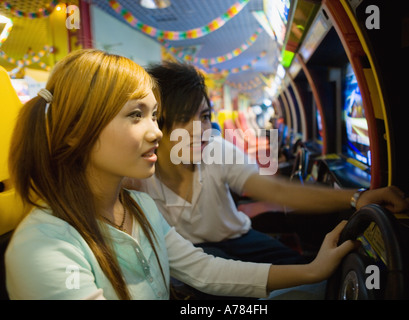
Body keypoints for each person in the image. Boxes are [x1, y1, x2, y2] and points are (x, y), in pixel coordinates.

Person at [5, 49, 357, 300]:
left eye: (153, 115)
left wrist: (315, 267)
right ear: (75, 132)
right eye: (135, 115)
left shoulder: (138, 206)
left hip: (232, 243)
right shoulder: (43, 249)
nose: (155, 132)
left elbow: (206, 269)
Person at [135, 61, 409, 266]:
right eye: (185, 119)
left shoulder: (216, 149)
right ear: (158, 124)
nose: (201, 130)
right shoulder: (136, 173)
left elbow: (277, 191)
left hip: (237, 237)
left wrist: (357, 197)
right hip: (187, 253)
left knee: (307, 268)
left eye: (205, 116)